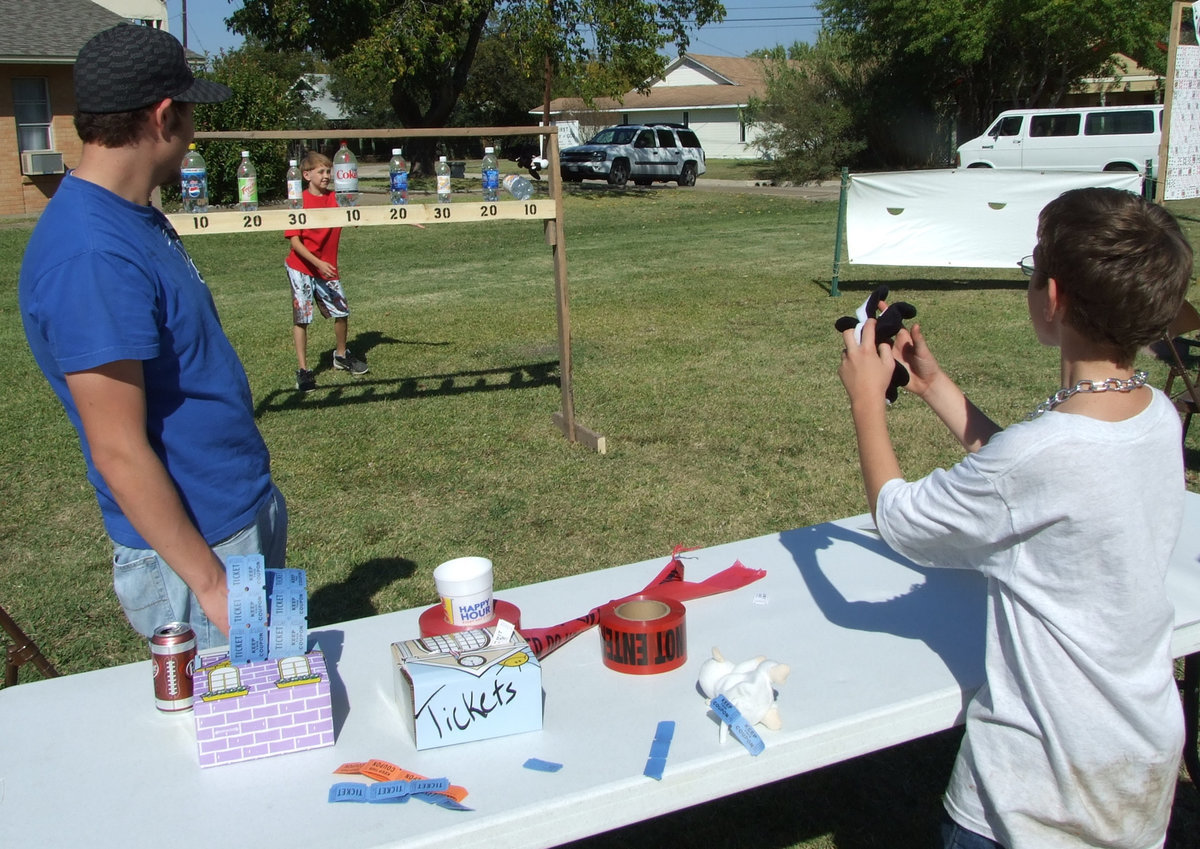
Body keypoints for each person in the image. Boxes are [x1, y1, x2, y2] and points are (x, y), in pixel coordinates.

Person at [837, 187, 1192, 849]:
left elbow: (904, 521)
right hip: (1132, 760)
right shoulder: (1155, 415)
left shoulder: (1042, 454)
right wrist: (936, 387)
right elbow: (1038, 479)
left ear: (1052, 297)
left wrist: (867, 402)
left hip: (1037, 790)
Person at [19, 24, 286, 651]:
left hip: (232, 519)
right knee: (246, 733)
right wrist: (214, 586)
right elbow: (117, 450)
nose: (194, 132)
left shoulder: (133, 218)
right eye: (190, 113)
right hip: (195, 556)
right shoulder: (91, 255)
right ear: (164, 115)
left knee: (275, 710)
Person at [284, 150, 369, 392]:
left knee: (341, 311)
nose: (326, 176)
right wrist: (317, 263)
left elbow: (361, 216)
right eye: (321, 172)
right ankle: (303, 370)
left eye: (329, 171)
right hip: (301, 266)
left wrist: (407, 218)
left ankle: (341, 355)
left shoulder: (337, 198)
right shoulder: (297, 201)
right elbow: (295, 242)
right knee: (302, 317)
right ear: (306, 174)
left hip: (327, 267)